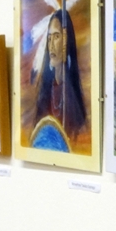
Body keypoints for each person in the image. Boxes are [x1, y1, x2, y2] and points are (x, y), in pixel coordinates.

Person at [35, 9, 87, 140]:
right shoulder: (46, 92)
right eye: (49, 38)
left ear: (66, 42)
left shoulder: (71, 94)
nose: (51, 45)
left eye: (57, 36)